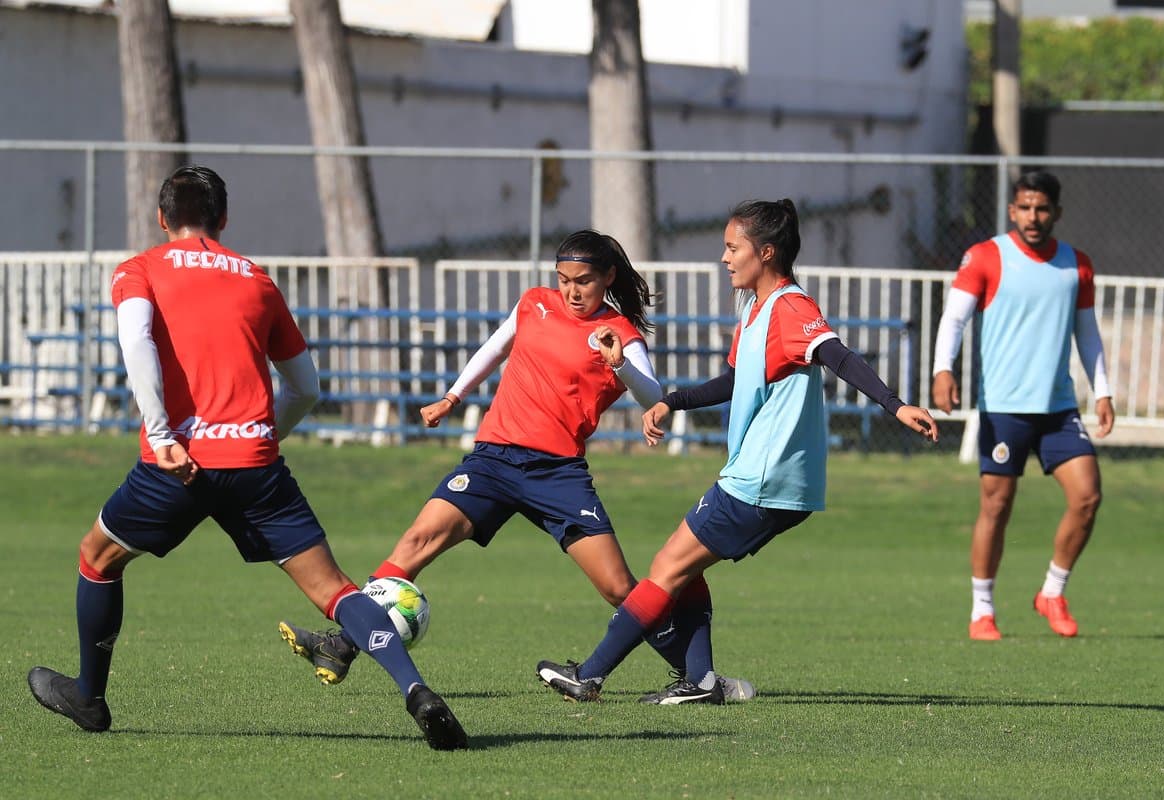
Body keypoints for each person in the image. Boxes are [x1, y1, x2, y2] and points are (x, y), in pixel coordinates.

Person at [26, 166, 468, 750]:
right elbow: (307, 386)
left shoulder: (142, 269)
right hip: (256, 461)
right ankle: (416, 691)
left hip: (176, 460)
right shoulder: (256, 279)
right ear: (223, 221)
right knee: (334, 589)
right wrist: (260, 435)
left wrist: (162, 433)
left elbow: (136, 341)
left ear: (162, 218)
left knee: (97, 557)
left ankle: (89, 696)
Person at [279, 229, 753, 703]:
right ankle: (342, 645)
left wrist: (619, 365)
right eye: (564, 279)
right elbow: (496, 347)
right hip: (493, 460)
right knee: (414, 544)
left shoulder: (620, 334)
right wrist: (452, 396)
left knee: (617, 587)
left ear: (607, 277)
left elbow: (655, 398)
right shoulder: (534, 304)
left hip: (557, 474)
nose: (571, 290)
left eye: (583, 281)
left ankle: (697, 677)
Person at [536, 199, 938, 703]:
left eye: (733, 248)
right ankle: (701, 682)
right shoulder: (754, 309)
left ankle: (590, 676)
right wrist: (671, 403)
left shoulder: (792, 308)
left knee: (666, 569)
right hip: (758, 475)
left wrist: (895, 405)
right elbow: (733, 381)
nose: (724, 258)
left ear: (765, 253)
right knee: (684, 570)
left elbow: (838, 355)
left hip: (763, 478)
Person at [931, 170, 1114, 641]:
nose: (1034, 216)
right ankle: (982, 610)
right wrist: (942, 371)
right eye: (1025, 207)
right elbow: (954, 320)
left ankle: (1052, 591)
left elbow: (1088, 336)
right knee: (996, 506)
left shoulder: (1077, 265)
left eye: (1042, 208)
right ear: (1013, 210)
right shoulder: (986, 257)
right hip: (1003, 408)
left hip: (1058, 408)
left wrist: (1104, 389)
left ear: (1056, 212)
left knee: (1088, 496)